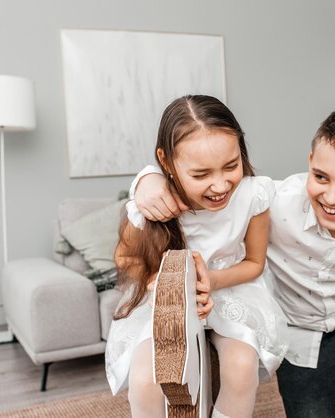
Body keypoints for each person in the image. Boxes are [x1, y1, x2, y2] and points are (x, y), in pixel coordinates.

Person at [130, 105, 335, 417]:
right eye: (320, 177)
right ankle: (333, 383)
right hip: (301, 327)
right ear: (310, 162)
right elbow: (218, 190)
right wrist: (149, 179)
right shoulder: (275, 202)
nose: (331, 198)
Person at [104, 95, 288, 418]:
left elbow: (255, 263)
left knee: (241, 366)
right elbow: (124, 259)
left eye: (231, 166)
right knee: (146, 377)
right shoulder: (152, 205)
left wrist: (212, 281)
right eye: (201, 174)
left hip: (230, 288)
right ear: (166, 161)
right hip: (165, 300)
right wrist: (158, 283)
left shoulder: (253, 196)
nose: (220, 185)